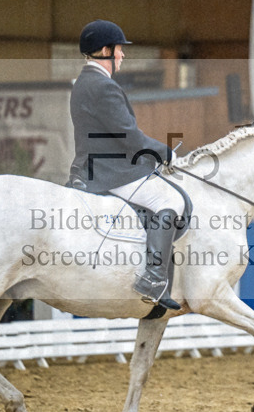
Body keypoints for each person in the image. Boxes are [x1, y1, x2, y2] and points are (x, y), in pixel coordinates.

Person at [66, 19, 184, 311]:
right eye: (118, 49)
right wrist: (165, 152)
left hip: (98, 165)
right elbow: (130, 137)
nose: (122, 55)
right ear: (105, 50)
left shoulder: (84, 82)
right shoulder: (103, 86)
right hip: (110, 173)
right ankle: (154, 278)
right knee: (171, 200)